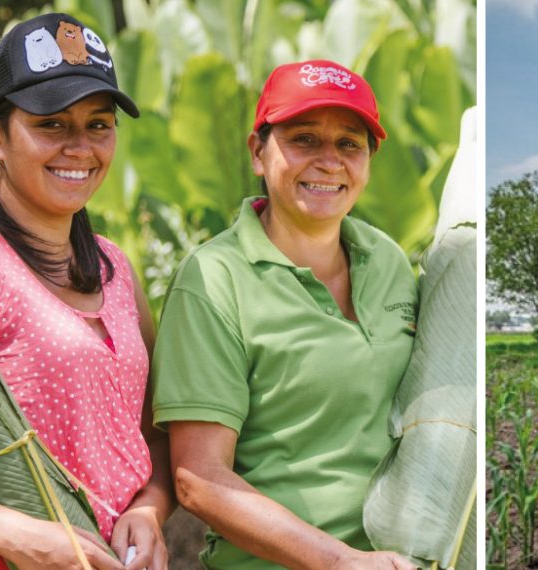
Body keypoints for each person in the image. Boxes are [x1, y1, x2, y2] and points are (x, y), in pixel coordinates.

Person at [0, 13, 173, 570]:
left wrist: (150, 509)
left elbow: (153, 436)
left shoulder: (114, 268)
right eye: (51, 124)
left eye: (98, 125)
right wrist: (18, 536)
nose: (80, 147)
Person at [151, 60, 419, 570]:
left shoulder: (387, 260)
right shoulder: (214, 280)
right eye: (304, 139)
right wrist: (341, 562)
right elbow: (199, 478)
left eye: (349, 144)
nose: (329, 161)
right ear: (258, 151)